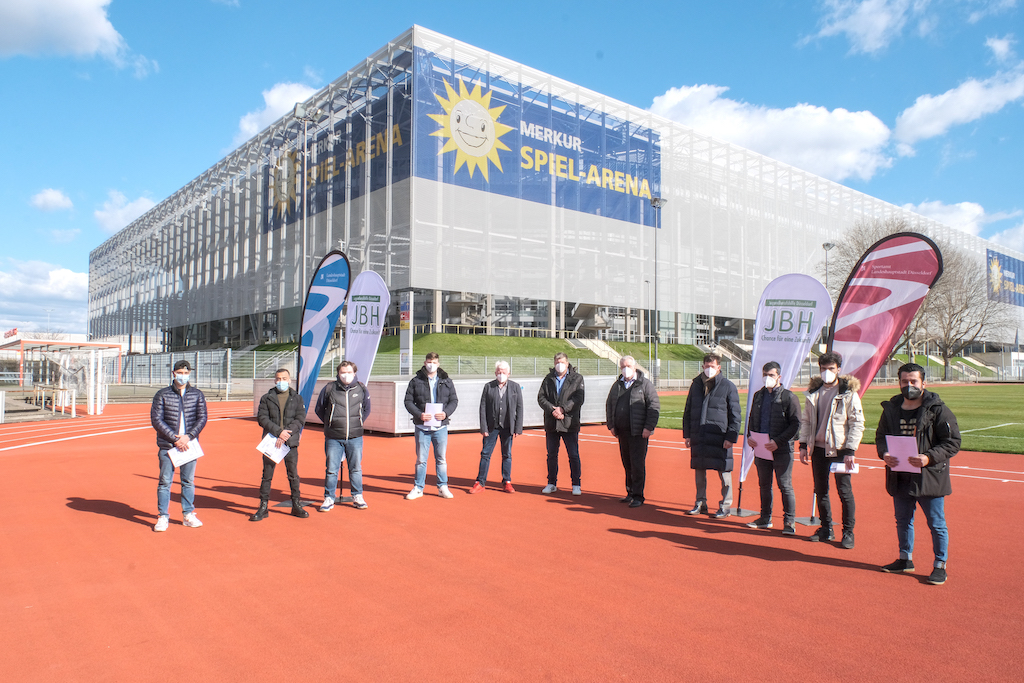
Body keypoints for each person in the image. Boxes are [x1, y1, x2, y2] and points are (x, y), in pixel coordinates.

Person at [876, 363, 961, 585]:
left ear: (924, 382)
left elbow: (952, 442)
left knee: (936, 523)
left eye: (913, 381)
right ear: (899, 383)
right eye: (905, 381)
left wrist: (928, 457)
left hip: (929, 476)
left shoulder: (937, 409)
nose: (909, 385)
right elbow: (880, 437)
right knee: (903, 520)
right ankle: (905, 559)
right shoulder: (891, 409)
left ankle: (940, 565)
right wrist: (884, 454)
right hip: (899, 474)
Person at [798, 350, 865, 549]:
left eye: (831, 369)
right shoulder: (813, 393)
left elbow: (857, 423)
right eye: (824, 369)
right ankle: (826, 528)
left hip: (840, 450)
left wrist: (850, 450)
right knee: (821, 490)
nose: (827, 372)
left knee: (844, 491)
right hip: (818, 449)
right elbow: (807, 421)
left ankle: (848, 532)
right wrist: (803, 445)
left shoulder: (848, 394)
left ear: (838, 369)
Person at [150, 360, 208, 532]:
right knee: (165, 482)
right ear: (173, 373)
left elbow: (202, 418)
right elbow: (156, 420)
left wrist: (188, 437)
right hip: (169, 445)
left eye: (186, 372)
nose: (183, 375)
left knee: (188, 481)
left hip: (189, 445)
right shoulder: (162, 394)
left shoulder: (197, 394)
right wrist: (175, 439)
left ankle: (188, 514)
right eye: (180, 372)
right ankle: (163, 516)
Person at [744, 361, 801, 534]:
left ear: (779, 377)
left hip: (781, 449)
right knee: (764, 485)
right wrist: (749, 436)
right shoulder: (758, 395)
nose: (767, 378)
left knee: (785, 485)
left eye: (771, 375)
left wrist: (778, 441)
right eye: (765, 374)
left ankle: (789, 522)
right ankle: (764, 518)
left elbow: (796, 425)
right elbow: (752, 418)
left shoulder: (789, 397)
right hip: (761, 448)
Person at [683, 353, 741, 519]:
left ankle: (726, 505)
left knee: (724, 471)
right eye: (706, 366)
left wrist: (731, 437)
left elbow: (735, 414)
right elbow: (688, 410)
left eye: (712, 366)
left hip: (719, 437)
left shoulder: (728, 386)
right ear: (703, 366)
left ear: (719, 367)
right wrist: (687, 434)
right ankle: (700, 502)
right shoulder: (695, 384)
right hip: (699, 435)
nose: (709, 369)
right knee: (699, 470)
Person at [251, 368, 308, 521]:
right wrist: (278, 432)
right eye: (278, 378)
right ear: (274, 380)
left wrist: (286, 434)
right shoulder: (267, 398)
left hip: (290, 442)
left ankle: (296, 504)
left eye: (284, 378)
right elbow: (262, 418)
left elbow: (300, 419)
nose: (281, 381)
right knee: (267, 475)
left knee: (293, 475)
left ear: (289, 380)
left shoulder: (297, 398)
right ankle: (263, 507)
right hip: (271, 442)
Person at [315, 360, 371, 511]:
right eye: (343, 372)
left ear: (354, 373)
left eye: (349, 372)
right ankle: (328, 498)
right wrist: (330, 423)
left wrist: (357, 423)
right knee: (332, 469)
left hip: (355, 437)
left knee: (355, 469)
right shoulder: (329, 388)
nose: (346, 375)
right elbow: (319, 409)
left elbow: (366, 409)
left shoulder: (361, 388)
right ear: (338, 373)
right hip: (333, 437)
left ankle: (357, 496)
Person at [605, 355, 660, 508]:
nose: (625, 369)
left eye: (628, 366)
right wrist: (611, 425)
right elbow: (609, 405)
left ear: (635, 367)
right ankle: (629, 492)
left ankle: (638, 495)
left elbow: (653, 406)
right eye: (622, 366)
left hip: (638, 432)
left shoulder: (644, 384)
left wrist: (648, 427)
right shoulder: (617, 385)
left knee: (637, 464)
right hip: (622, 432)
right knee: (627, 463)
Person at [404, 352, 459, 500]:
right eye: (429, 362)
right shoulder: (416, 381)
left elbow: (454, 400)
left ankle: (442, 486)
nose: (431, 364)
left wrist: (446, 413)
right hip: (422, 427)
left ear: (438, 364)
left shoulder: (446, 381)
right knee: (421, 459)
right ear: (424, 362)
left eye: (434, 362)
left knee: (441, 458)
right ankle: (418, 487)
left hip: (440, 427)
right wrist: (419, 414)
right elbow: (408, 401)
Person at [470, 361, 524, 493]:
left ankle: (507, 481)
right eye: (499, 372)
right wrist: (483, 427)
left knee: (507, 454)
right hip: (491, 426)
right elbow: (482, 407)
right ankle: (480, 482)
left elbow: (519, 408)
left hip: (508, 426)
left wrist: (518, 428)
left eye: (504, 372)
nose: (501, 374)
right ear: (495, 373)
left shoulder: (515, 387)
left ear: (508, 373)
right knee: (485, 454)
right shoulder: (488, 387)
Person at [537, 352, 585, 495]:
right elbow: (541, 397)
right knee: (551, 454)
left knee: (573, 455)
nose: (559, 364)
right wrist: (552, 409)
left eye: (562, 361)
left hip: (569, 423)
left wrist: (563, 409)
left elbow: (578, 398)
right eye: (557, 361)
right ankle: (551, 483)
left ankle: (576, 484)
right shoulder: (548, 378)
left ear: (567, 362)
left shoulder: (577, 378)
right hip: (552, 423)